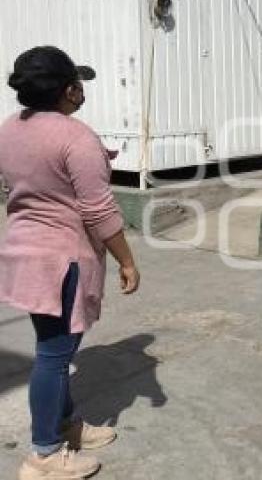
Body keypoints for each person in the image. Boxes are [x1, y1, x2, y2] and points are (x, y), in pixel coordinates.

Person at [0, 46, 141, 480]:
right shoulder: (76, 137)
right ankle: (43, 454)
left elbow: (24, 181)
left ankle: (65, 423)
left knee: (57, 349)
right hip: (62, 258)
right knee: (54, 355)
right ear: (68, 91)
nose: (84, 91)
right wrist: (127, 261)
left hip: (26, 252)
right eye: (79, 84)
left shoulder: (9, 128)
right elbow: (99, 210)